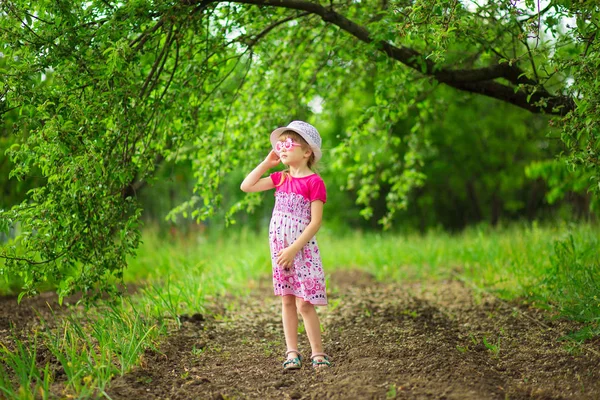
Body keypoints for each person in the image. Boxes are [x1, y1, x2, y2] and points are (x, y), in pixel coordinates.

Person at [240, 120, 331, 370]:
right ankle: (292, 352)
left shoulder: (314, 182)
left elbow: (315, 223)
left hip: (301, 250)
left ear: (307, 151)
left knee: (304, 303)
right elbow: (246, 186)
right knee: (287, 299)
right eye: (280, 145)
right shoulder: (280, 178)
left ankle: (318, 353)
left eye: (288, 144)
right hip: (280, 250)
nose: (282, 148)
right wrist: (266, 163)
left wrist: (294, 249)